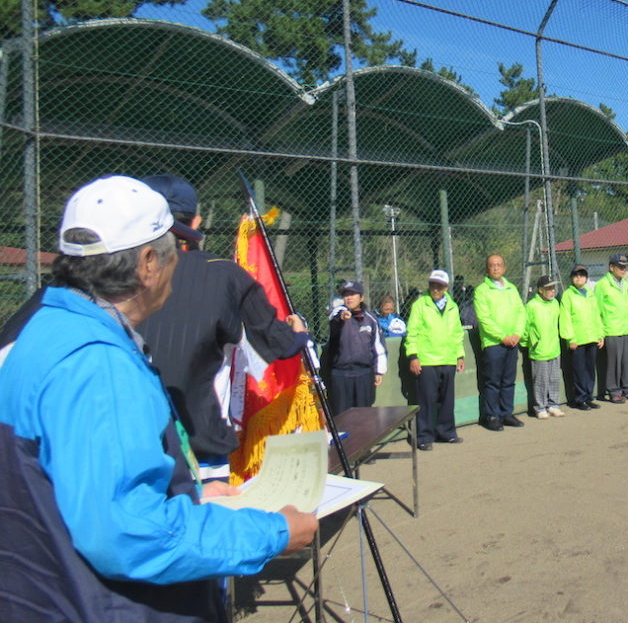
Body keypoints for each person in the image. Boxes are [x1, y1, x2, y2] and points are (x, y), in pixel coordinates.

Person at [0, 175, 317, 623]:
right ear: (148, 263)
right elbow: (128, 536)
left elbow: (74, 486)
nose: (179, 265)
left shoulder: (41, 329)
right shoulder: (98, 363)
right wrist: (272, 533)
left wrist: (190, 496)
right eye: (173, 252)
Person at [137, 174, 310, 482]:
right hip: (200, 457)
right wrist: (299, 334)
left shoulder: (108, 277)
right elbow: (278, 344)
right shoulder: (224, 276)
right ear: (196, 222)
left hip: (126, 457)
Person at [404, 270, 465, 451]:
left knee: (447, 400)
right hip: (427, 360)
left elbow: (457, 333)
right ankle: (424, 436)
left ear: (446, 287)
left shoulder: (453, 306)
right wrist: (413, 356)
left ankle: (446, 432)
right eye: (432, 285)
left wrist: (459, 355)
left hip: (448, 359)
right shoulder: (420, 305)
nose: (435, 289)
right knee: (426, 400)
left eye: (439, 286)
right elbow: (412, 332)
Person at [473, 254, 527, 431]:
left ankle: (506, 413)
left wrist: (517, 333)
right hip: (494, 343)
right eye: (492, 265)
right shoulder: (481, 291)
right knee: (493, 381)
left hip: (512, 342)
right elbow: (484, 319)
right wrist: (503, 336)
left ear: (504, 268)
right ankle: (492, 415)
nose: (495, 268)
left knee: (508, 380)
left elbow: (521, 312)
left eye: (498, 264)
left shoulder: (511, 288)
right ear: (487, 269)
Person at [323, 280, 388, 415]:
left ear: (361, 297)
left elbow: (378, 346)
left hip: (364, 374)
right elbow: (335, 317)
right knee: (341, 416)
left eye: (353, 294)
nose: (349, 298)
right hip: (340, 374)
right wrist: (342, 316)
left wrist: (379, 371)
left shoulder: (370, 318)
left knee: (364, 415)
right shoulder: (338, 313)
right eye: (346, 295)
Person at [594, 253, 628, 403]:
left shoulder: (626, 284)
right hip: (611, 330)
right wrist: (600, 333)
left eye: (625, 267)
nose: (623, 269)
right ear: (611, 267)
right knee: (613, 363)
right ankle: (614, 391)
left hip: (625, 329)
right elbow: (596, 310)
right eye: (620, 267)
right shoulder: (602, 285)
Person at [560, 264, 604, 411]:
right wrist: (570, 338)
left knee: (590, 370)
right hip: (577, 340)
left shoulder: (590, 294)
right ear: (571, 278)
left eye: (582, 275)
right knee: (579, 371)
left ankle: (589, 397)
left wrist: (600, 335)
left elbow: (596, 315)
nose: (579, 278)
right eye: (576, 275)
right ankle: (580, 399)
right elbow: (565, 318)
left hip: (592, 337)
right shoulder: (568, 295)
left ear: (586, 278)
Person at [525, 275, 565, 419]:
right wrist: (530, 343)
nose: (552, 291)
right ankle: (540, 407)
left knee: (554, 379)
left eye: (553, 287)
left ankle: (553, 405)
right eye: (549, 288)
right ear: (540, 290)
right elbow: (525, 327)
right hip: (539, 350)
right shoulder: (531, 306)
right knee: (540, 381)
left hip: (554, 348)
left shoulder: (555, 304)